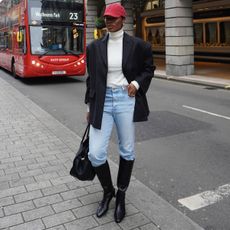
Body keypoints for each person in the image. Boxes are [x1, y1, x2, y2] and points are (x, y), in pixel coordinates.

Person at [84, 3, 155, 223]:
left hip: (126, 99)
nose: (109, 22)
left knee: (127, 149)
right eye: (106, 18)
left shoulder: (139, 46)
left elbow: (148, 69)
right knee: (95, 153)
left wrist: (136, 83)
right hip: (102, 102)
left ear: (123, 19)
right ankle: (108, 191)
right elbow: (92, 79)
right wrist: (89, 106)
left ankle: (121, 195)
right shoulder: (94, 47)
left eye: (113, 18)